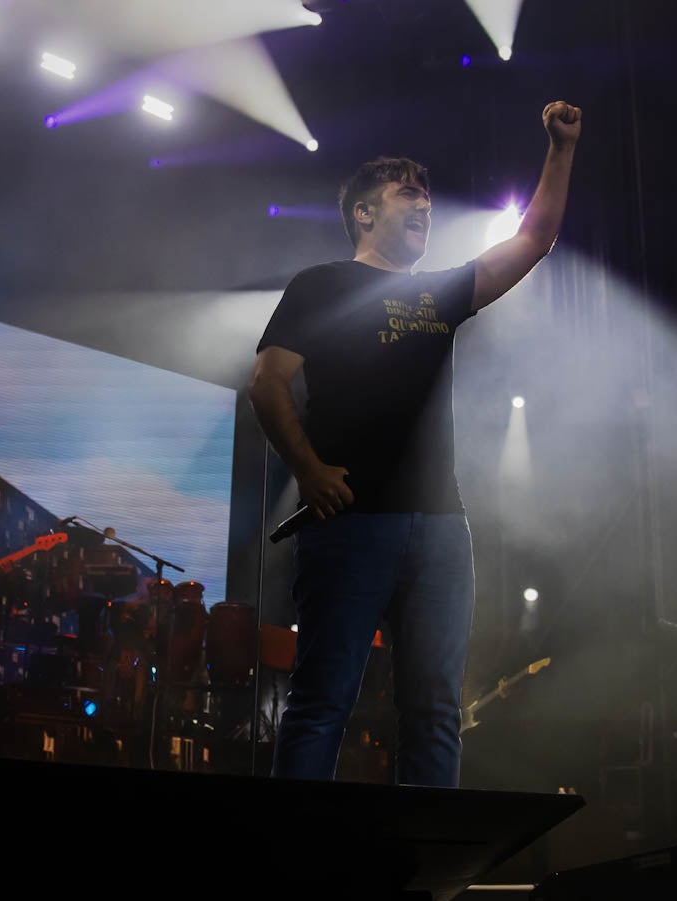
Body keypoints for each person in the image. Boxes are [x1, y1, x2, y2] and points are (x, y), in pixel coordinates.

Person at [249, 100, 582, 787]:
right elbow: (266, 381)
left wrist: (560, 149)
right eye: (408, 192)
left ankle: (422, 877)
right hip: (349, 525)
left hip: (439, 528)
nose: (425, 201)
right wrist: (307, 471)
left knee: (433, 709)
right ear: (365, 213)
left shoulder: (440, 293)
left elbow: (535, 238)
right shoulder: (322, 285)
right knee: (321, 704)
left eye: (427, 193)